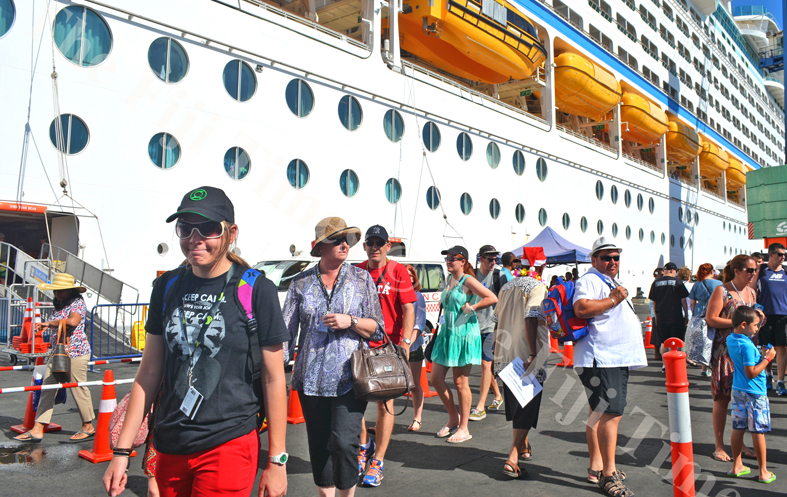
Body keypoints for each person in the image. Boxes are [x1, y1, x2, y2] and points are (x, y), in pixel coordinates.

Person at [103, 186, 289, 497]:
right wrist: (122, 453)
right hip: (171, 442)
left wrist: (277, 460)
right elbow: (148, 373)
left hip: (228, 441)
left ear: (231, 233)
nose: (194, 237)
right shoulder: (167, 286)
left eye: (208, 228)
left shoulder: (256, 289)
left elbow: (273, 378)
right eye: (185, 228)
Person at [282, 217, 384, 497]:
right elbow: (286, 333)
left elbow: (377, 327)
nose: (344, 244)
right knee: (318, 443)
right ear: (320, 246)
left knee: (344, 442)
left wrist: (349, 320)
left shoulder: (362, 279)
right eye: (337, 240)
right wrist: (273, 374)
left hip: (350, 378)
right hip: (310, 380)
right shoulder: (300, 283)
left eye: (347, 240)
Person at [573, 237, 646, 497]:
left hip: (608, 357)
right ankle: (608, 475)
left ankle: (597, 466)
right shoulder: (590, 280)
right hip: (603, 358)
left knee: (598, 412)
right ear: (594, 260)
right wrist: (614, 299)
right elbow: (581, 308)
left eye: (616, 257)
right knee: (610, 415)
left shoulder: (606, 280)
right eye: (606, 257)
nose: (612, 262)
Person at [356, 225, 416, 487]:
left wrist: (405, 342)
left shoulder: (398, 270)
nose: (375, 247)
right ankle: (363, 445)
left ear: (388, 247)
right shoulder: (356, 270)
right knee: (355, 401)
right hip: (359, 345)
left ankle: (378, 460)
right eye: (371, 242)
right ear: (365, 246)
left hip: (388, 347)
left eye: (380, 243)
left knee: (384, 403)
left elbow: (408, 307)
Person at [13, 273, 95, 443]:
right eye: (56, 291)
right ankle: (37, 428)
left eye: (62, 291)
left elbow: (73, 321)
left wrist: (48, 324)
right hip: (58, 353)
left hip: (76, 352)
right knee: (47, 389)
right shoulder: (59, 305)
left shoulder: (77, 303)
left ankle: (88, 426)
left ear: (71, 291)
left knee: (78, 388)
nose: (58, 294)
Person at [430, 246, 496, 444]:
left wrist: (473, 307)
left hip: (463, 335)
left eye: (453, 258)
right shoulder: (450, 279)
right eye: (447, 258)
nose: (449, 261)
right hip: (448, 334)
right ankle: (453, 418)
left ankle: (464, 427)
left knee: (460, 383)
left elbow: (492, 297)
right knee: (436, 378)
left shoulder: (468, 280)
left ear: (463, 261)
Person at [493, 261, 549, 478]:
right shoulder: (537, 286)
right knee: (527, 406)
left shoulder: (506, 288)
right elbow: (531, 316)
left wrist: (496, 354)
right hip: (528, 353)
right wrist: (534, 353)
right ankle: (513, 456)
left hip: (506, 352)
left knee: (518, 403)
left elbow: (497, 322)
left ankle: (524, 446)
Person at [705, 254, 760, 463]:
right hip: (725, 352)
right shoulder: (722, 290)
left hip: (745, 353)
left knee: (743, 399)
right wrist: (736, 325)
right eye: (749, 270)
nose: (753, 274)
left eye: (755, 271)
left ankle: (739, 442)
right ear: (737, 271)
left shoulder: (751, 293)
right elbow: (711, 318)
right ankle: (719, 445)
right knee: (722, 398)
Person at [726, 306, 776, 483]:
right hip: (754, 392)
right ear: (744, 324)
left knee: (738, 427)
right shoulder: (746, 345)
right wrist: (768, 358)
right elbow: (751, 372)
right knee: (758, 431)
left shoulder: (731, 339)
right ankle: (763, 471)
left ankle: (737, 465)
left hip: (738, 390)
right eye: (756, 325)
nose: (757, 329)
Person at [470, 244, 506, 421]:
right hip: (473, 328)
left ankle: (480, 407)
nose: (493, 262)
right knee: (486, 366)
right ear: (481, 259)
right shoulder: (472, 276)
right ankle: (498, 395)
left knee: (485, 364)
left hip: (492, 328)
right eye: (489, 258)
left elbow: (506, 304)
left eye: (495, 258)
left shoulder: (500, 276)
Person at [756, 243, 787, 395]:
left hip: (783, 315)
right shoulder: (761, 270)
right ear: (772, 254)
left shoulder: (786, 271)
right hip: (765, 315)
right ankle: (768, 375)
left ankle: (781, 382)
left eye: (784, 254)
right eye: (780, 254)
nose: (783, 257)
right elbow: (753, 290)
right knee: (767, 347)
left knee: (782, 348)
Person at [648, 262, 689, 370]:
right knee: (679, 340)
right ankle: (681, 363)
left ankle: (664, 365)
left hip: (661, 316)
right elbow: (683, 300)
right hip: (676, 315)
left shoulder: (656, 283)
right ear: (672, 270)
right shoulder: (678, 282)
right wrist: (686, 315)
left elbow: (653, 302)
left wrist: (656, 317)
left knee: (664, 341)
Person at [688, 263, 723, 376]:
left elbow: (692, 302)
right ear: (712, 272)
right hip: (715, 312)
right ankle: (714, 367)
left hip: (699, 312)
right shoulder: (719, 284)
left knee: (703, 340)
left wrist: (694, 313)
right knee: (714, 339)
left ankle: (704, 368)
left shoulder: (697, 284)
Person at [404, 264, 426, 432]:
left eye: (410, 274)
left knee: (414, 384)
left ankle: (417, 418)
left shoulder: (417, 296)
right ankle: (383, 420)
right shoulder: (395, 295)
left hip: (412, 347)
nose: (408, 277)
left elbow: (419, 324)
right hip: (395, 346)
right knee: (388, 385)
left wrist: (407, 344)